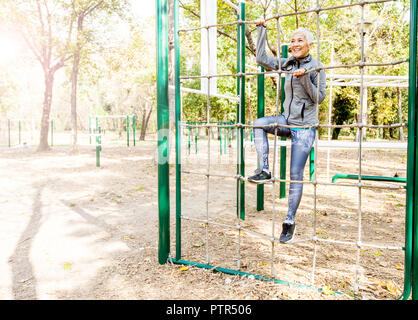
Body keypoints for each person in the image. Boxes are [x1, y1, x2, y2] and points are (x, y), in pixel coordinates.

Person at [249, 19, 327, 243]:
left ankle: (289, 222)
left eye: (300, 40)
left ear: (309, 44)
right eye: (292, 41)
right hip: (287, 120)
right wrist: (261, 29)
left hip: (304, 128)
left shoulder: (317, 67)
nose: (295, 44)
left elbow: (318, 98)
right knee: (258, 123)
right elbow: (261, 59)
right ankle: (264, 169)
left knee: (295, 175)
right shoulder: (289, 63)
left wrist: (303, 78)